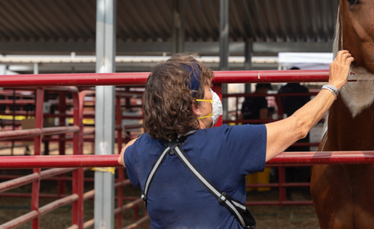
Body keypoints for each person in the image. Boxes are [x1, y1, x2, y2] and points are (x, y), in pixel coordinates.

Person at [118, 51, 353, 228]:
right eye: (208, 91)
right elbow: (298, 126)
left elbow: (124, 154)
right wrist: (334, 85)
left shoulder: (141, 151)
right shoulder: (226, 144)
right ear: (195, 107)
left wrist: (157, 129)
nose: (214, 96)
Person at [277, 67, 312, 199]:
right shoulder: (303, 90)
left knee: (286, 160)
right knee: (305, 160)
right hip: (302, 126)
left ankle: (286, 192)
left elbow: (279, 108)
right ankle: (302, 189)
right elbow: (308, 108)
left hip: (285, 126)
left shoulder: (282, 90)